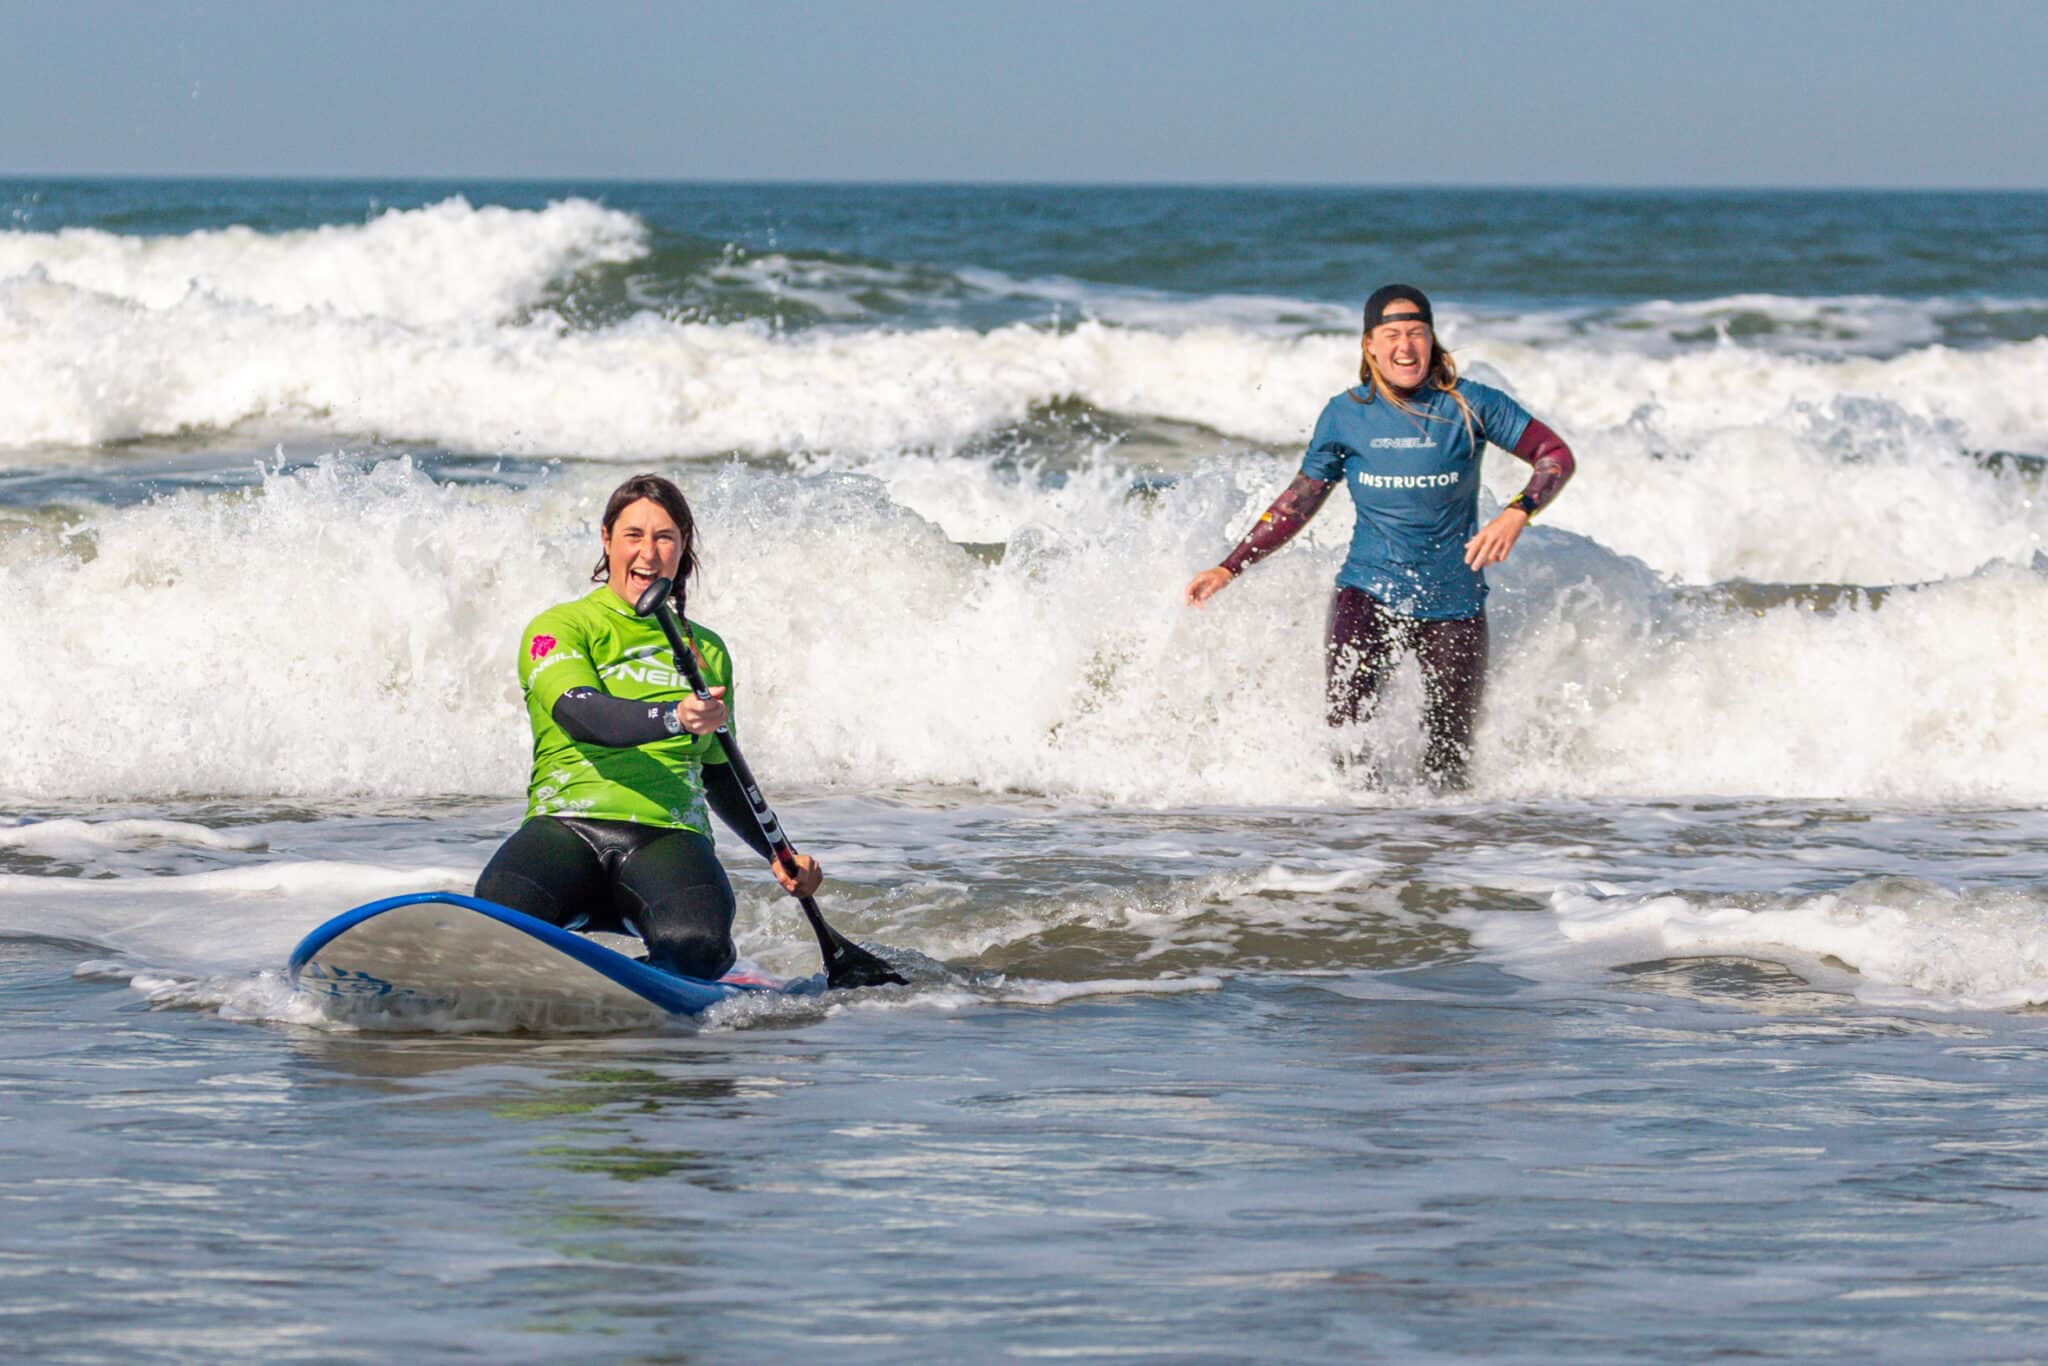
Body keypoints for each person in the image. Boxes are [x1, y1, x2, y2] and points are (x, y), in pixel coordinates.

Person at [1185, 285, 1576, 789]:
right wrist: (1229, 565)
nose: (1405, 346)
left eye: (1417, 333)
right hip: (1367, 593)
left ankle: (1438, 863)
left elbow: (1555, 455)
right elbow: (1299, 499)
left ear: (1432, 341)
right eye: (1391, 334)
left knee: (1448, 764)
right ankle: (1360, 855)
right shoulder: (1345, 413)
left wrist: (1517, 512)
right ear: (1370, 345)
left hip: (1453, 603)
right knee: (1349, 750)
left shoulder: (1472, 404)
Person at [476, 473, 821, 980]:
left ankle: (635, 980)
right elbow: (581, 712)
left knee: (698, 950)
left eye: (665, 538)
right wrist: (673, 716)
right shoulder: (561, 627)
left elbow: (719, 772)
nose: (649, 552)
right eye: (633, 535)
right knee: (496, 931)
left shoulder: (706, 650)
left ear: (683, 547)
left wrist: (778, 852)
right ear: (606, 539)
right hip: (566, 825)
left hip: (669, 836)